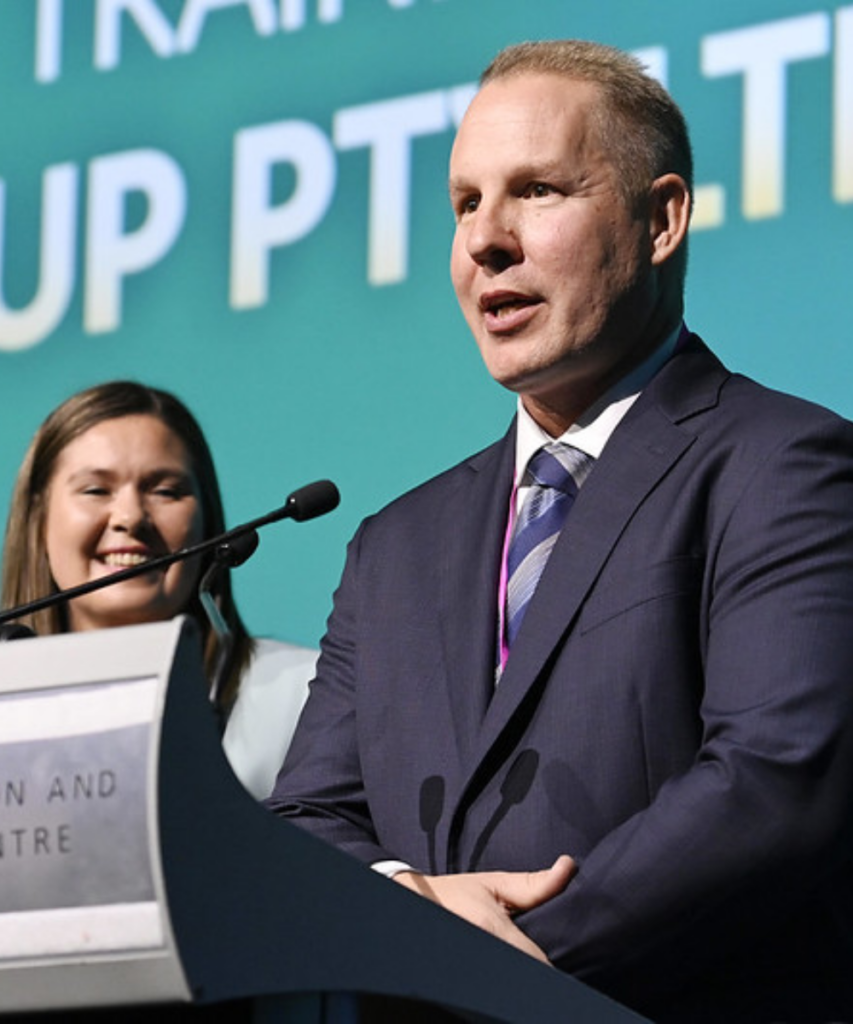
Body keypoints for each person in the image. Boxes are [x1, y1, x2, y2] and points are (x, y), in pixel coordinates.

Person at [267, 39, 853, 1021]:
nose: (485, 240)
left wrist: (474, 962)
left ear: (660, 219)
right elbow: (308, 819)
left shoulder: (785, 465)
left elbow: (770, 784)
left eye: (536, 191)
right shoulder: (393, 545)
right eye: (464, 203)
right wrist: (406, 907)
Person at [1, 380, 316, 800]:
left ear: (208, 519)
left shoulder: (308, 695)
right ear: (38, 517)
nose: (130, 517)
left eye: (165, 491)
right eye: (96, 490)